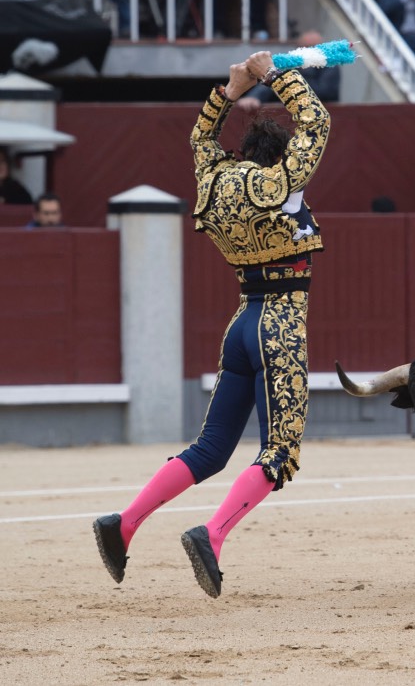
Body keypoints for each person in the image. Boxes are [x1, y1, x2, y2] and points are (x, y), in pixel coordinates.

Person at [93, 50, 332, 598]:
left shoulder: (214, 178)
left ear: (242, 152)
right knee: (280, 450)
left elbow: (201, 139)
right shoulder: (277, 186)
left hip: (241, 323)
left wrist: (229, 88)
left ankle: (124, 523)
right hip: (280, 326)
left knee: (210, 447)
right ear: (277, 160)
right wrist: (275, 76)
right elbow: (316, 121)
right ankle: (214, 534)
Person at [234, 31, 341, 114]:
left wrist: (296, 77)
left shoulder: (330, 65)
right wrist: (254, 97)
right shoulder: (291, 66)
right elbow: (270, 83)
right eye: (305, 48)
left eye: (313, 48)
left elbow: (325, 93)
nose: (309, 51)